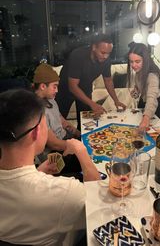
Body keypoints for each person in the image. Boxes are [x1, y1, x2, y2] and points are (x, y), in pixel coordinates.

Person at [0, 89, 100, 245]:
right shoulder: (65, 193)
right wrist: (81, 150)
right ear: (36, 133)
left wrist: (39, 171)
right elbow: (98, 202)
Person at [56, 34, 126, 129]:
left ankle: (80, 139)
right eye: (103, 52)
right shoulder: (78, 55)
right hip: (65, 88)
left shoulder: (106, 61)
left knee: (85, 122)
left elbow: (108, 81)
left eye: (108, 53)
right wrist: (92, 104)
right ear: (94, 47)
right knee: (57, 122)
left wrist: (116, 101)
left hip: (85, 87)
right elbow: (73, 86)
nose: (106, 56)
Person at [33, 63, 84, 178]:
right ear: (42, 86)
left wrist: (79, 134)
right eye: (54, 86)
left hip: (65, 140)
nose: (57, 90)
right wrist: (78, 147)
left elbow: (62, 121)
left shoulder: (51, 100)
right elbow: (53, 144)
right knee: (87, 159)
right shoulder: (36, 111)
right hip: (54, 154)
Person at [127, 42, 160, 130]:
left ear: (146, 60)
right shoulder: (139, 71)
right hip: (143, 101)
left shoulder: (152, 75)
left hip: (155, 105)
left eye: (137, 61)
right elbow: (140, 86)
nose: (133, 65)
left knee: (150, 131)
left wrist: (146, 119)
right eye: (131, 62)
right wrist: (136, 90)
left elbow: (152, 99)